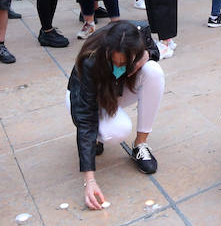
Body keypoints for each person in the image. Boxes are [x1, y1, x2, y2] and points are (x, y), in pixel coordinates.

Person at [70, 21, 165, 204]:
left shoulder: (139, 34)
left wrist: (145, 56)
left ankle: (140, 145)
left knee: (153, 72)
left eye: (124, 62)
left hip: (115, 91)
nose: (119, 65)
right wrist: (89, 180)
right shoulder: (91, 58)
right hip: (85, 98)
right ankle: (97, 138)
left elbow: (156, 52)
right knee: (117, 130)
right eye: (114, 61)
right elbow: (86, 116)